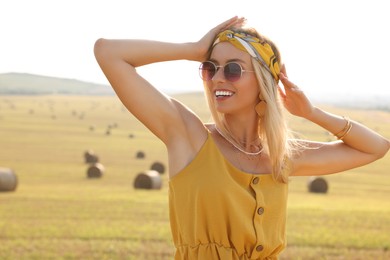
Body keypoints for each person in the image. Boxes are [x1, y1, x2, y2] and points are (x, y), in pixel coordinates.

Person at [94, 16, 389, 260]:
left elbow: (376, 147)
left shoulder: (280, 157)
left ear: (262, 82)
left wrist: (312, 113)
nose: (218, 77)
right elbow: (108, 53)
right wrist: (194, 49)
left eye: (233, 69)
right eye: (210, 68)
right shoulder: (190, 137)